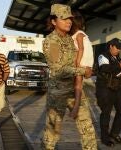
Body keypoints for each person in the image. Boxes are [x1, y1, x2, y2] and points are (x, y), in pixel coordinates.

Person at [41, 4, 97, 150]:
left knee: (87, 128)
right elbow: (58, 69)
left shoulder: (69, 39)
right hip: (58, 92)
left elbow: (76, 59)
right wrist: (82, 71)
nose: (69, 21)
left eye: (70, 18)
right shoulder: (51, 42)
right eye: (63, 18)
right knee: (53, 132)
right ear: (53, 21)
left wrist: (84, 69)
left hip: (74, 88)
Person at [95, 38, 121, 147]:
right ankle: (105, 138)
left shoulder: (118, 58)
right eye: (117, 47)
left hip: (117, 87)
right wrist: (119, 66)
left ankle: (114, 134)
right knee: (106, 112)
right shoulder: (102, 56)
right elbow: (104, 68)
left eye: (120, 48)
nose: (119, 50)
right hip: (105, 88)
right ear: (111, 46)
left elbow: (117, 71)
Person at [69, 11, 94, 119]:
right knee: (77, 84)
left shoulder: (78, 34)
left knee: (78, 85)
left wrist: (78, 62)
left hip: (82, 62)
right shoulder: (79, 34)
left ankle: (76, 106)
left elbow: (81, 49)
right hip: (85, 62)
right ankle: (76, 103)